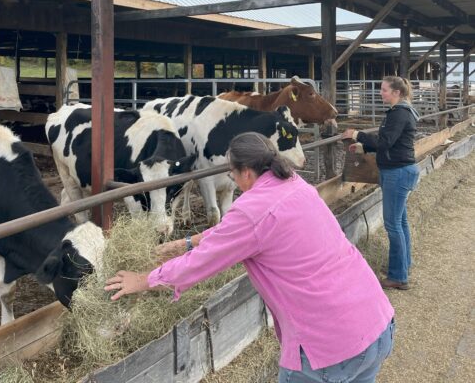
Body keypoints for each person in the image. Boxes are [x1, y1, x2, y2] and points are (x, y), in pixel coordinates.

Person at [105, 132, 395, 383]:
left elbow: (201, 263)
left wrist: (144, 279)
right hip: (374, 322)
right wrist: (188, 242)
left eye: (232, 174)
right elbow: (242, 231)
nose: (233, 180)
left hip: (329, 347)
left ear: (245, 172)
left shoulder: (252, 209)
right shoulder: (294, 184)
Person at [341, 76, 420, 290]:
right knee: (400, 223)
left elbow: (386, 141)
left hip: (397, 173)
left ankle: (399, 277)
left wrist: (357, 134)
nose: (381, 93)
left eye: (384, 90)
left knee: (393, 225)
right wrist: (363, 148)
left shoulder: (399, 113)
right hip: (399, 170)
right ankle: (402, 265)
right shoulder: (401, 111)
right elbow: (391, 144)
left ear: (396, 92)